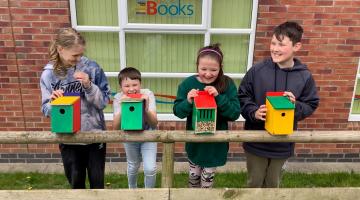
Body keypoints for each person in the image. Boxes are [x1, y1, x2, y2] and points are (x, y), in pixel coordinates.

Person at [238, 21, 320, 188]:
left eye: (281, 44)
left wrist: (295, 106)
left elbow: (311, 103)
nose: (275, 48)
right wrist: (253, 112)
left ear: (296, 46)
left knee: (273, 184)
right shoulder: (257, 70)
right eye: (273, 43)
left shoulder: (304, 76)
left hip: (283, 143)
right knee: (254, 183)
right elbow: (242, 96)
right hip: (256, 141)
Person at [40, 28, 111, 189]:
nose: (78, 59)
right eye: (75, 55)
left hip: (94, 136)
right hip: (68, 138)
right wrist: (54, 103)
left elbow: (104, 102)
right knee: (76, 184)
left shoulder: (92, 68)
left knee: (97, 184)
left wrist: (89, 85)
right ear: (60, 49)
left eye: (81, 54)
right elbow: (45, 109)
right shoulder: (48, 75)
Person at [173, 44, 241, 188]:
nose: (208, 74)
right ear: (197, 66)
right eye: (203, 69)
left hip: (214, 145)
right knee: (194, 177)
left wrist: (219, 97)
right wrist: (188, 101)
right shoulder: (187, 84)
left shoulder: (227, 84)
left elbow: (235, 113)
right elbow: (178, 112)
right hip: (195, 144)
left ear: (220, 67)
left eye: (213, 70)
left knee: (207, 182)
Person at [113, 67, 158, 188]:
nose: (132, 89)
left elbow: (154, 123)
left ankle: (149, 194)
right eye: (127, 86)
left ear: (140, 84)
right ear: (121, 87)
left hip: (148, 135)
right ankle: (132, 190)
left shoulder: (147, 94)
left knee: (150, 168)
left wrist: (146, 107)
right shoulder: (118, 98)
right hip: (129, 137)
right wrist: (123, 106)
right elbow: (116, 127)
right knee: (133, 165)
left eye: (135, 84)